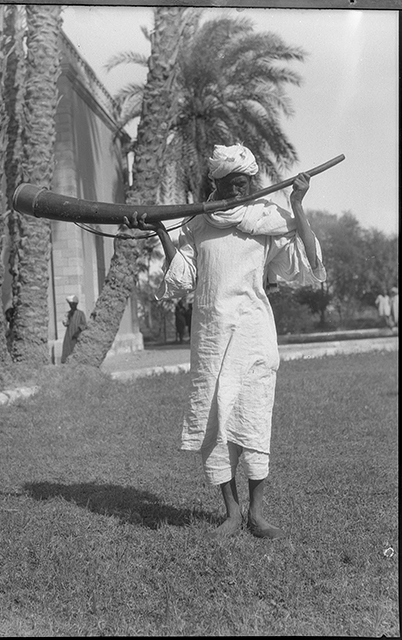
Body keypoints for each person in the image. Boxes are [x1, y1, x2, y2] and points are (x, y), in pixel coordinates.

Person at [124, 142, 326, 540]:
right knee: (216, 424)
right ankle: (231, 513)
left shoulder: (267, 219)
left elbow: (307, 261)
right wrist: (163, 231)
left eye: (246, 182)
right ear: (215, 183)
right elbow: (182, 275)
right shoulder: (197, 223)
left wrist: (297, 205)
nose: (240, 190)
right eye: (232, 183)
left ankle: (258, 514)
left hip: (253, 335)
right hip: (212, 337)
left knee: (253, 420)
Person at [61, 295, 87, 363]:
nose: (72, 306)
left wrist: (77, 333)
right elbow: (65, 323)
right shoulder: (68, 313)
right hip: (69, 334)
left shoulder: (80, 313)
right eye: (71, 304)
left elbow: (84, 324)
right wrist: (67, 317)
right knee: (67, 349)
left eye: (73, 304)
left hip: (77, 335)